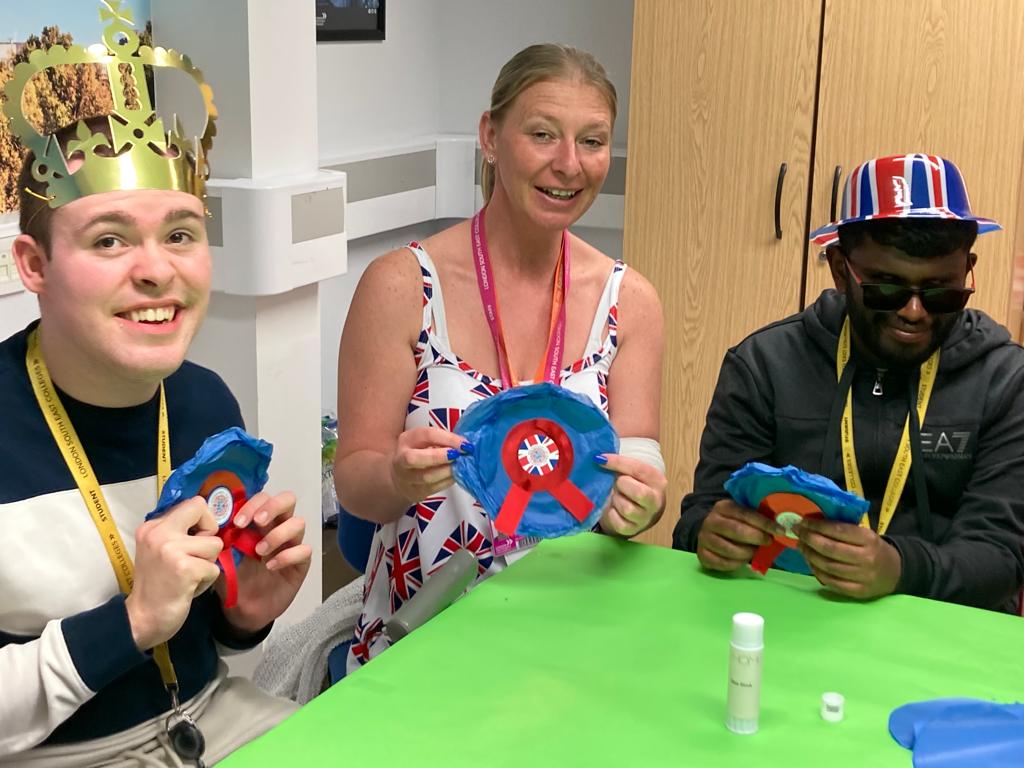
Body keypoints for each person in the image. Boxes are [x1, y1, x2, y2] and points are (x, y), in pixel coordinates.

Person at [0, 8, 311, 766]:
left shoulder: (205, 403)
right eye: (109, 239)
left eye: (180, 233)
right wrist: (131, 621)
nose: (156, 270)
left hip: (210, 717)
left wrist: (248, 617)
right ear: (33, 266)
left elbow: (207, 636)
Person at [335, 43, 668, 672]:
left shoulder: (631, 303)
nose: (569, 165)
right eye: (542, 134)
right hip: (424, 633)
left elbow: (637, 470)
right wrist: (397, 479)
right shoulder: (403, 286)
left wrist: (638, 504)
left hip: (570, 638)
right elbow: (356, 486)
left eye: (593, 141)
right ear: (490, 136)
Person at [676, 153, 1024, 614]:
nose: (914, 311)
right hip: (792, 622)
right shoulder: (763, 365)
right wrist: (710, 534)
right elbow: (699, 518)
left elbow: (1003, 556)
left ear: (968, 269)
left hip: (947, 634)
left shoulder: (1006, 380)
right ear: (841, 269)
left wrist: (900, 568)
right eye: (887, 288)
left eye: (943, 291)